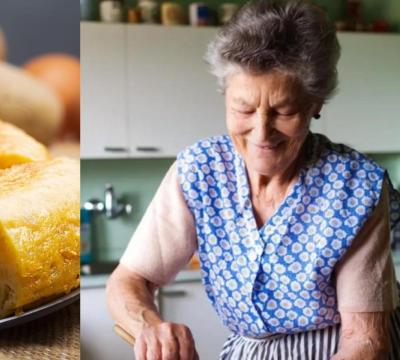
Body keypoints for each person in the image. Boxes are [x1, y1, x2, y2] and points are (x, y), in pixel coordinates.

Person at [106, 1, 400, 359]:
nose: (261, 132)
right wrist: (148, 327)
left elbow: (366, 343)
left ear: (315, 103)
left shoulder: (356, 188)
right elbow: (128, 280)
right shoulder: (199, 170)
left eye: (284, 111)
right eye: (243, 109)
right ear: (225, 95)